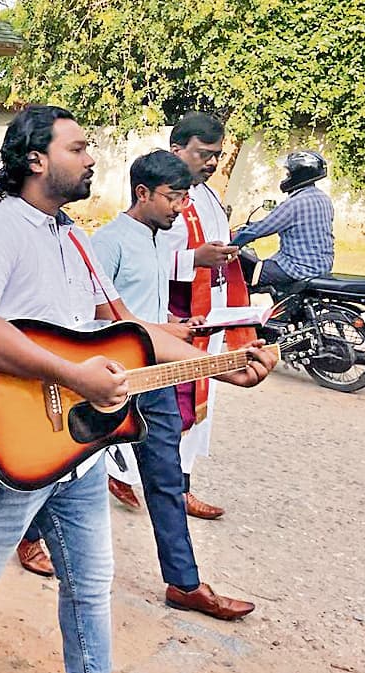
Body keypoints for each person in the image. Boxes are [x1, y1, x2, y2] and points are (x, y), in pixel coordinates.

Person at [0, 105, 277, 673]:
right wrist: (72, 374)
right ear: (36, 159)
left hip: (76, 448)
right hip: (10, 442)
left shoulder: (76, 237)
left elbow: (130, 327)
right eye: (77, 148)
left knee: (89, 587)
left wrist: (220, 364)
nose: (91, 158)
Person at [94, 149, 258, 619]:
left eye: (185, 196)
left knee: (165, 479)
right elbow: (100, 321)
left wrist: (175, 324)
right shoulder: (108, 242)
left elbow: (145, 306)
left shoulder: (157, 240)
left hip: (158, 378)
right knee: (65, 470)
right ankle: (25, 538)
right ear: (142, 192)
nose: (180, 207)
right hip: (112, 381)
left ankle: (184, 583)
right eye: (172, 196)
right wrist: (165, 332)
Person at [158, 112, 244, 520]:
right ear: (177, 150)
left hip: (208, 310)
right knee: (174, 405)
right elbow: (147, 259)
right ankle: (150, 481)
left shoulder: (207, 195)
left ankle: (182, 484)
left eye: (216, 155)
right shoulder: (162, 195)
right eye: (203, 154)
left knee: (197, 408)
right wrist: (196, 258)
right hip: (175, 314)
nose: (211, 163)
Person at [234, 150, 334, 289]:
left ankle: (254, 307)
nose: (286, 177)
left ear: (300, 174)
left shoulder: (295, 203)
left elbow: (260, 229)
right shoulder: (324, 199)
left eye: (288, 173)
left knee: (247, 272)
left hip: (297, 269)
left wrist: (233, 242)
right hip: (321, 266)